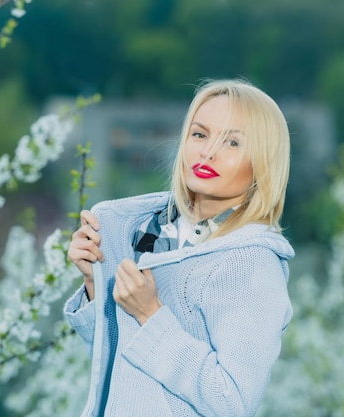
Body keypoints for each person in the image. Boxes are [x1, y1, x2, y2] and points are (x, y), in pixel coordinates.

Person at [64, 78, 293, 417]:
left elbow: (233, 402)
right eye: (200, 134)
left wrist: (150, 314)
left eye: (232, 142)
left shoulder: (250, 262)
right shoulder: (137, 230)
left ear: (263, 161)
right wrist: (95, 282)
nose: (208, 151)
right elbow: (117, 369)